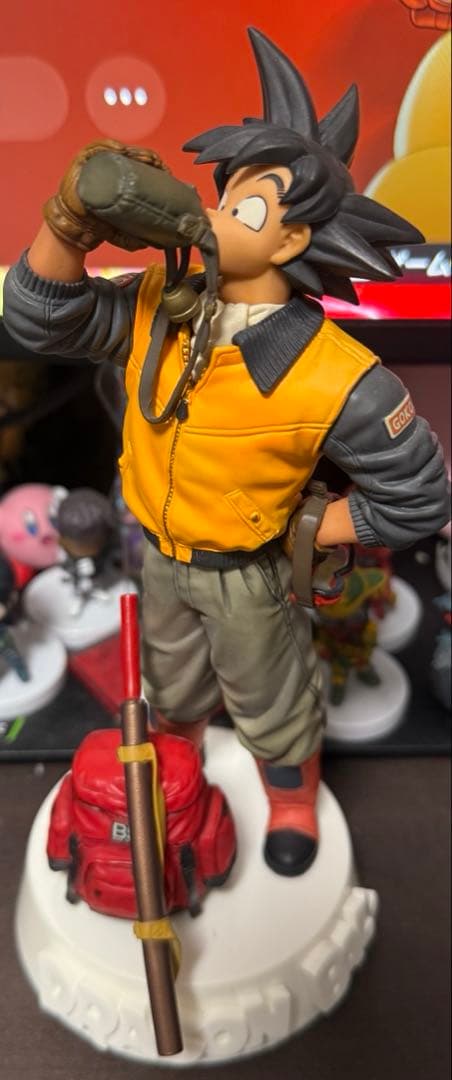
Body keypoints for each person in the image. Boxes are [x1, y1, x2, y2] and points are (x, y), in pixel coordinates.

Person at [3, 29, 449, 877]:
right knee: (170, 694)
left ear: (291, 242)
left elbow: (417, 499)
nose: (213, 218)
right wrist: (67, 224)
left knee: (272, 705)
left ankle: (291, 802)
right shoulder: (158, 304)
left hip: (249, 574)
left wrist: (307, 527)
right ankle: (179, 781)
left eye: (246, 211)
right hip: (160, 558)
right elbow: (41, 320)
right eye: (225, 198)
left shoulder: (335, 375)